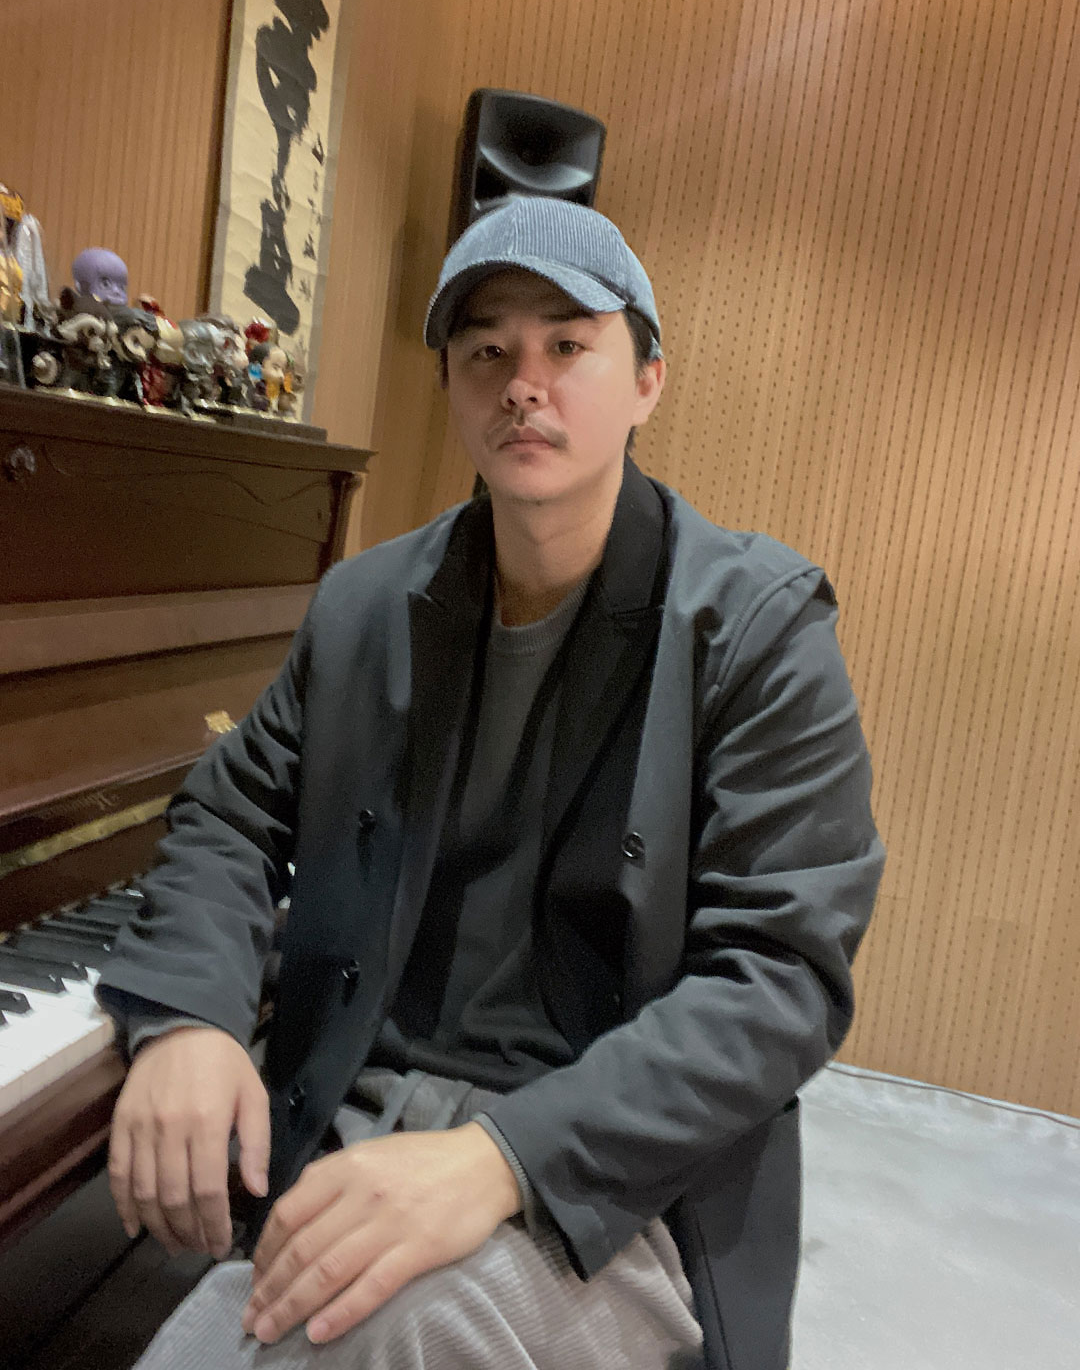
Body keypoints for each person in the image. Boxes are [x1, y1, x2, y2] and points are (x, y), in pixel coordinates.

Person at [96, 195, 885, 1370]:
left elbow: (780, 979)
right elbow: (231, 810)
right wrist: (189, 1019)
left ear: (649, 381)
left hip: (610, 1182)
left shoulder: (758, 629)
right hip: (358, 1123)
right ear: (452, 386)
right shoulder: (365, 605)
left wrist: (500, 1159)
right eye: (487, 353)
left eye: (567, 345)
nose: (525, 385)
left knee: (384, 1334)